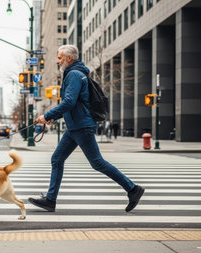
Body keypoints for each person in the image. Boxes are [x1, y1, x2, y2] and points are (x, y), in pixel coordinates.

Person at [29, 45, 144, 213]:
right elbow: (73, 104)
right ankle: (50, 199)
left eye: (60, 57)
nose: (57, 60)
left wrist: (47, 115)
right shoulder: (75, 73)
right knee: (57, 159)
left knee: (97, 162)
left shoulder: (74, 74)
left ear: (69, 58)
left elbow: (69, 102)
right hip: (75, 126)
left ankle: (133, 189)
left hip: (82, 126)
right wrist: (54, 117)